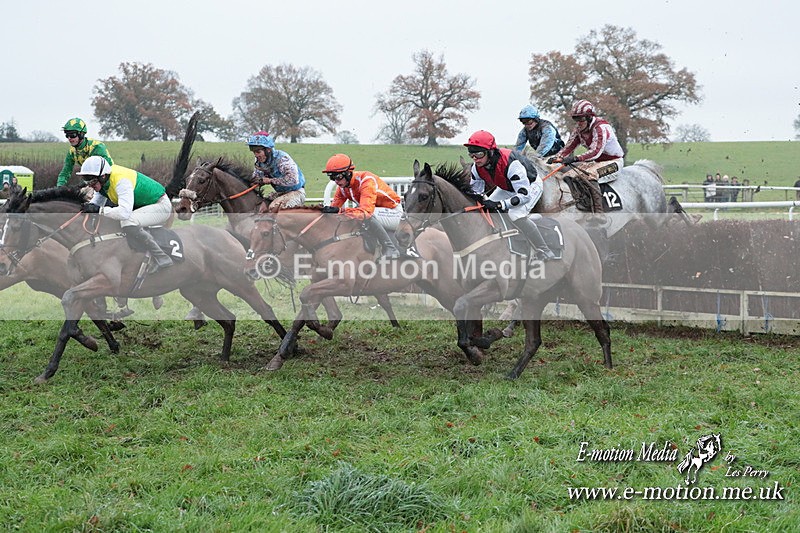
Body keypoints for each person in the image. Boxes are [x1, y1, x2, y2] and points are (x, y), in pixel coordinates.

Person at [464, 130, 556, 260]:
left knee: (515, 214)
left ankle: (544, 249)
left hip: (530, 187)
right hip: (507, 187)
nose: (475, 159)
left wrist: (500, 204)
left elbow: (524, 196)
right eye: (471, 155)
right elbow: (476, 192)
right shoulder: (476, 168)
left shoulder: (512, 164)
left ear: (490, 152)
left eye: (478, 154)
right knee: (485, 209)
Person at [77, 155, 173, 273]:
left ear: (103, 176)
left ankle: (161, 256)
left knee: (127, 221)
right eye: (88, 182)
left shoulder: (121, 181)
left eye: (92, 182)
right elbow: (94, 204)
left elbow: (123, 213)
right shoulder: (103, 183)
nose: (91, 186)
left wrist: (99, 210)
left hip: (161, 206)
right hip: (144, 206)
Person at [548, 100, 624, 222]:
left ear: (589, 117)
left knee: (590, 175)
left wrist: (575, 158)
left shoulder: (600, 128)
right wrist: (557, 158)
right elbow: (569, 146)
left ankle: (599, 213)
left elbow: (595, 152)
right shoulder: (578, 129)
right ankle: (581, 203)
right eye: (575, 119)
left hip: (614, 162)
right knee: (568, 175)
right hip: (596, 162)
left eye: (581, 119)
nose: (578, 123)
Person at [321, 154, 401, 259]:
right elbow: (334, 210)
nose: (336, 181)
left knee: (365, 215)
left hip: (393, 212)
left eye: (338, 177)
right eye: (332, 177)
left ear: (348, 173)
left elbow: (366, 213)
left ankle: (391, 248)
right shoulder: (342, 188)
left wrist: (339, 210)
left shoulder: (366, 181)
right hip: (375, 211)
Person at [246, 131, 306, 211]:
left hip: (296, 192)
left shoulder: (282, 159)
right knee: (260, 208)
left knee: (274, 207)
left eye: (258, 152)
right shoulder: (259, 162)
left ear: (268, 150)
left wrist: (270, 180)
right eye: (254, 152)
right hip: (280, 193)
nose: (256, 155)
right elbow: (256, 178)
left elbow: (293, 180)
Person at [57, 118, 113, 187]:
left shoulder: (97, 147)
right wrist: (59, 188)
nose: (69, 138)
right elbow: (65, 172)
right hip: (94, 182)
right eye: (67, 135)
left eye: (72, 135)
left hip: (108, 180)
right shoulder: (72, 151)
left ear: (81, 134)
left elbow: (105, 172)